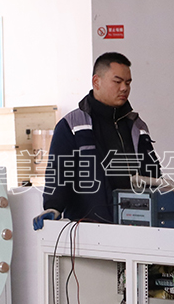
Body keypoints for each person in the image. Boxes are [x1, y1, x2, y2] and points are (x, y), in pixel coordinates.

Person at [33, 52, 161, 228]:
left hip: (136, 226)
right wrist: (53, 207)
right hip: (89, 228)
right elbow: (59, 174)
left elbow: (154, 175)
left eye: (128, 82)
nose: (124, 88)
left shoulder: (136, 126)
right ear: (96, 81)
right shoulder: (73, 126)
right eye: (117, 82)